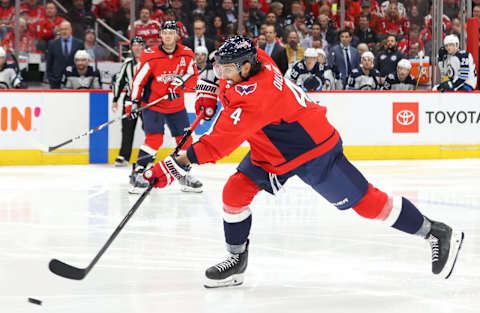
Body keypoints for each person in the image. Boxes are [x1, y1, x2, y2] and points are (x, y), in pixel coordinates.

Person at [142, 36, 464, 288]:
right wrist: (208, 90)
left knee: (366, 204)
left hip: (313, 150)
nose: (221, 74)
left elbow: (217, 145)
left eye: (227, 70)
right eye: (220, 68)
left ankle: (434, 231)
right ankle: (236, 261)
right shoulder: (257, 59)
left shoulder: (256, 96)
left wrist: (173, 165)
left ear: (243, 68)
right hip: (272, 148)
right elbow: (221, 85)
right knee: (234, 194)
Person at [128, 20, 202, 194]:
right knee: (154, 139)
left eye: (171, 32)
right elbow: (139, 80)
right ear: (160, 35)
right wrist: (133, 102)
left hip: (176, 106)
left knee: (185, 140)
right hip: (154, 105)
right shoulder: (150, 54)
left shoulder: (187, 53)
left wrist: (179, 83)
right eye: (165, 32)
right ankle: (138, 174)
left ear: (176, 35)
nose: (168, 35)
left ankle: (184, 174)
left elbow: (193, 75)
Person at [112, 36, 146, 167]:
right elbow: (119, 82)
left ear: (144, 47)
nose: (137, 48)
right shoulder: (127, 63)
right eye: (135, 45)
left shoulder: (149, 62)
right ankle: (124, 155)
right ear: (131, 48)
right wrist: (115, 99)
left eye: (140, 45)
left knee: (149, 128)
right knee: (127, 128)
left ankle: (149, 152)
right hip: (130, 101)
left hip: (145, 101)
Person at [46, 21, 84, 89]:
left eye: (66, 29)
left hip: (74, 81)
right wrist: (51, 80)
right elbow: (49, 63)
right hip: (56, 82)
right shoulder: (52, 44)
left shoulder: (79, 44)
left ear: (70, 30)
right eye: (62, 29)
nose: (64, 31)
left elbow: (82, 62)